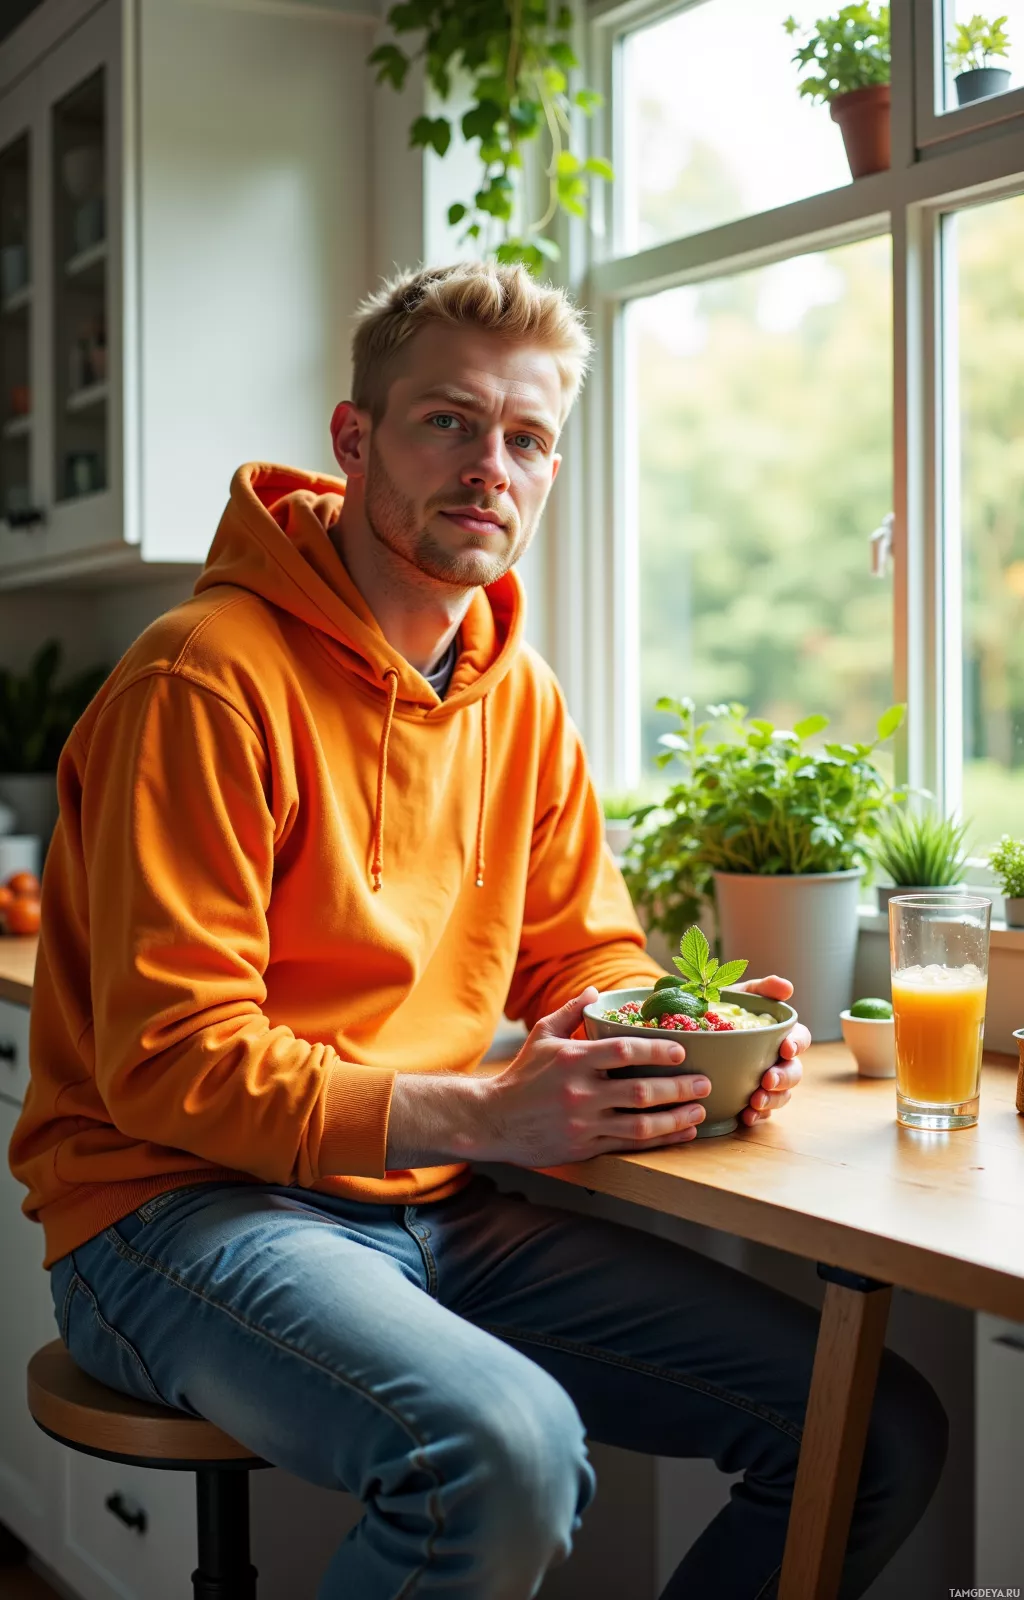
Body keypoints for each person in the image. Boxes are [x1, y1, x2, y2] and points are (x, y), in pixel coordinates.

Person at [9, 261, 945, 1599]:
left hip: (425, 1206)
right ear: (354, 439)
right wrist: (487, 1115)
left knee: (873, 1432)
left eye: (526, 438)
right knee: (499, 1453)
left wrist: (684, 1038)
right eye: (447, 422)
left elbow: (586, 954)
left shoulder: (524, 697)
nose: (488, 467)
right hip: (170, 1211)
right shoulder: (202, 681)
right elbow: (173, 1064)